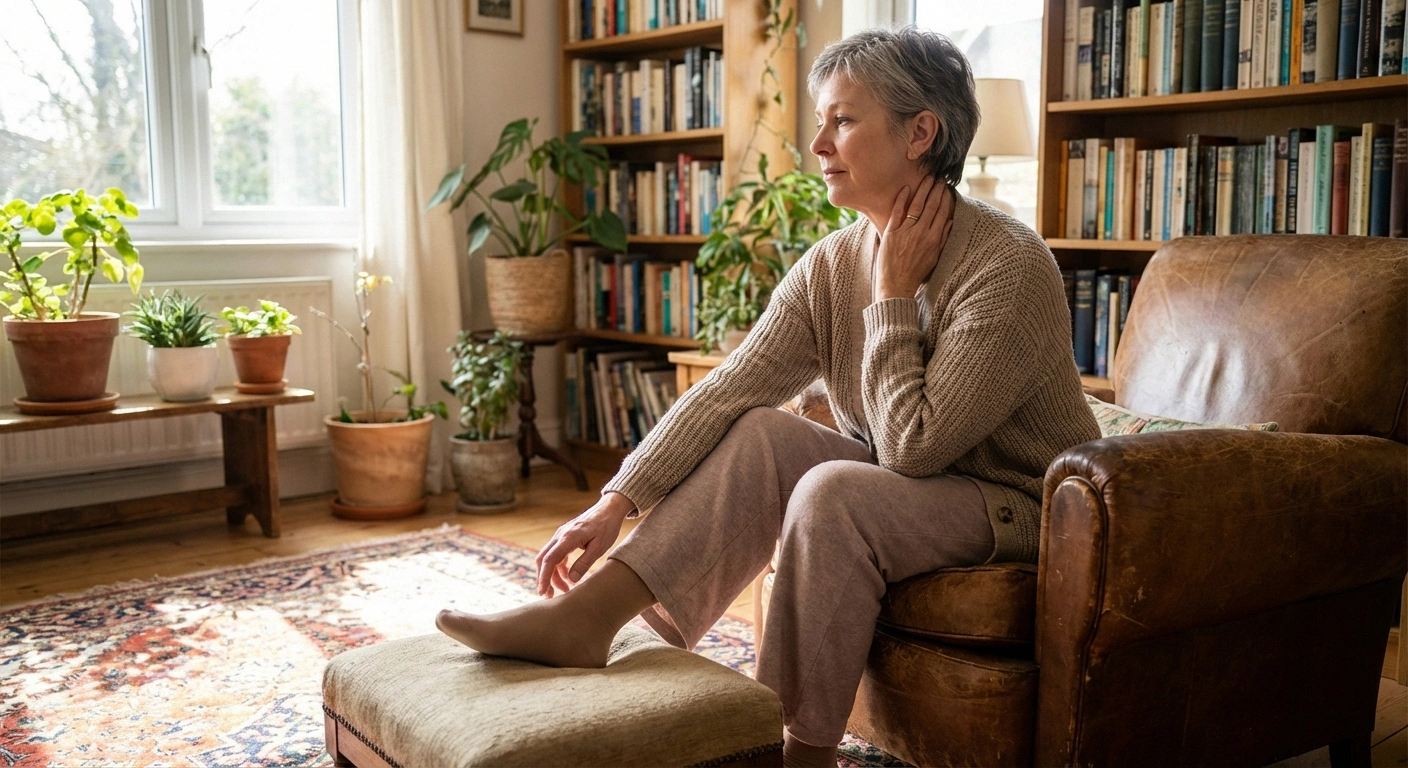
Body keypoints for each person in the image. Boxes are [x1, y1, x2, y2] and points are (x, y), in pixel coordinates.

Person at [436, 26, 1101, 767]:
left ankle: (799, 752)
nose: (817, 144)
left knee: (836, 490)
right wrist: (616, 501)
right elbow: (728, 389)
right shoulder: (833, 262)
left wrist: (892, 299)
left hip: (1014, 504)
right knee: (763, 431)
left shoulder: (1007, 264)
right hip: (910, 486)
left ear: (921, 133)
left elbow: (916, 446)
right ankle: (584, 620)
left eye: (843, 120)